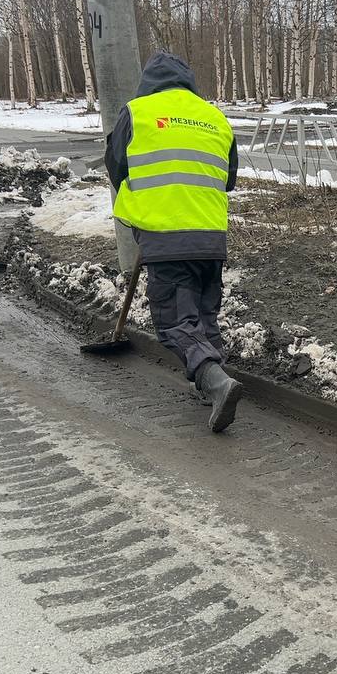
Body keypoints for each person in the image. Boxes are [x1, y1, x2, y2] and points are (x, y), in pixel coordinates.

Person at [105, 51, 243, 433]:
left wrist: (145, 204)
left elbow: (116, 167)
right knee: (203, 315)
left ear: (148, 80)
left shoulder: (137, 112)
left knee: (175, 323)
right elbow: (228, 177)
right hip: (212, 236)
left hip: (167, 237)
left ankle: (216, 382)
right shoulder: (215, 117)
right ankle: (214, 384)